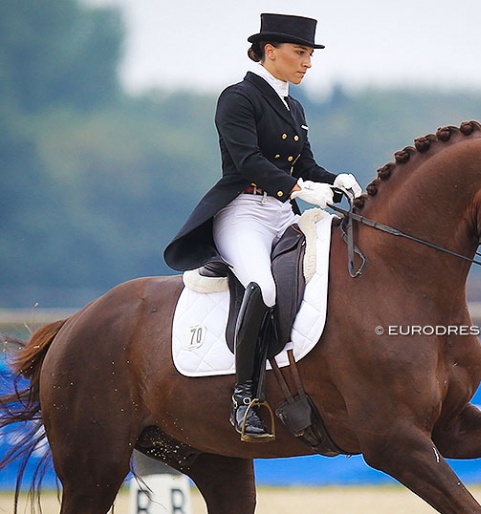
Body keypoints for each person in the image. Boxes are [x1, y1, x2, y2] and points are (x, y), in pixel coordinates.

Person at [163, 13, 362, 441]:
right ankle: (244, 398)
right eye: (300, 53)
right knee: (265, 287)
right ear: (269, 51)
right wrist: (299, 189)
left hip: (282, 213)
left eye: (310, 54)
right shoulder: (237, 98)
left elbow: (305, 162)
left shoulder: (293, 105)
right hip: (244, 212)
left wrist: (333, 179)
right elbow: (247, 160)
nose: (307, 62)